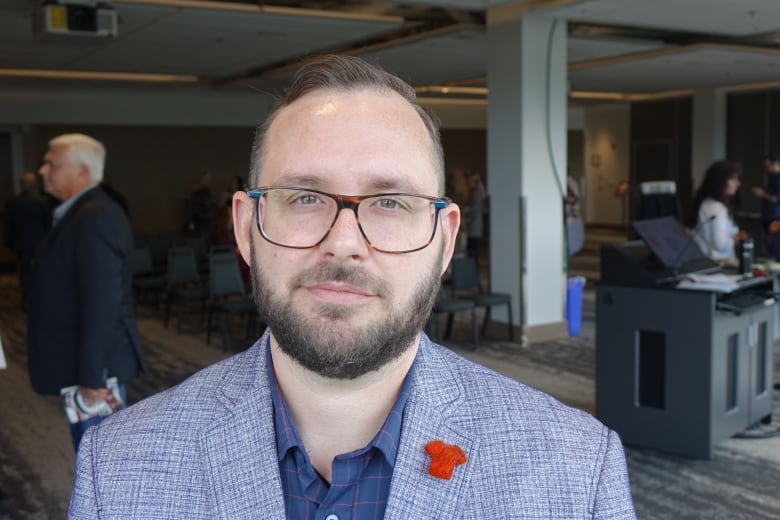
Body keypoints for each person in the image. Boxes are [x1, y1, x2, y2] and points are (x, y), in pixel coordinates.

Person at [69, 55, 635, 518]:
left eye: (390, 202)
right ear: (245, 229)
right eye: (305, 197)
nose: (343, 242)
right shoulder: (117, 467)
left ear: (444, 240)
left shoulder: (576, 469)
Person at [27, 133, 145, 452]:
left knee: (100, 458)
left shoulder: (96, 217)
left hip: (95, 371)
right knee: (94, 455)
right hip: (85, 362)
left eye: (51, 164)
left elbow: (103, 303)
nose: (41, 171)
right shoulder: (80, 213)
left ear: (81, 171)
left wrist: (93, 377)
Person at [3, 171, 52, 304]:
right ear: (34, 185)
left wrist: (8, 242)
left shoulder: (12, 202)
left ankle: (27, 299)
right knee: (41, 272)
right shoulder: (43, 202)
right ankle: (41, 298)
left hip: (21, 244)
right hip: (41, 244)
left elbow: (9, 225)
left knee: (25, 274)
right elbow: (49, 224)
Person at [692, 160, 748, 260]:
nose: (738, 183)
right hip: (721, 264)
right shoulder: (717, 208)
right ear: (720, 181)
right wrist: (736, 238)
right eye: (733, 179)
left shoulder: (706, 203)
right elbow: (720, 244)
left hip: (708, 262)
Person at [751, 154, 780, 232]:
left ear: (775, 163)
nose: (766, 169)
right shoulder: (772, 177)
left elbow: (776, 199)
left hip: (775, 217)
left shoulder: (778, 179)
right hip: (768, 216)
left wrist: (763, 194)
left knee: (774, 241)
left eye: (768, 166)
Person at [464, 170, 487, 260]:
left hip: (474, 227)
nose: (468, 184)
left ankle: (472, 270)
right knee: (473, 251)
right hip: (475, 226)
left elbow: (473, 208)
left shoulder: (477, 193)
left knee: (472, 251)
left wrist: (464, 209)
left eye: (469, 182)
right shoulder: (477, 191)